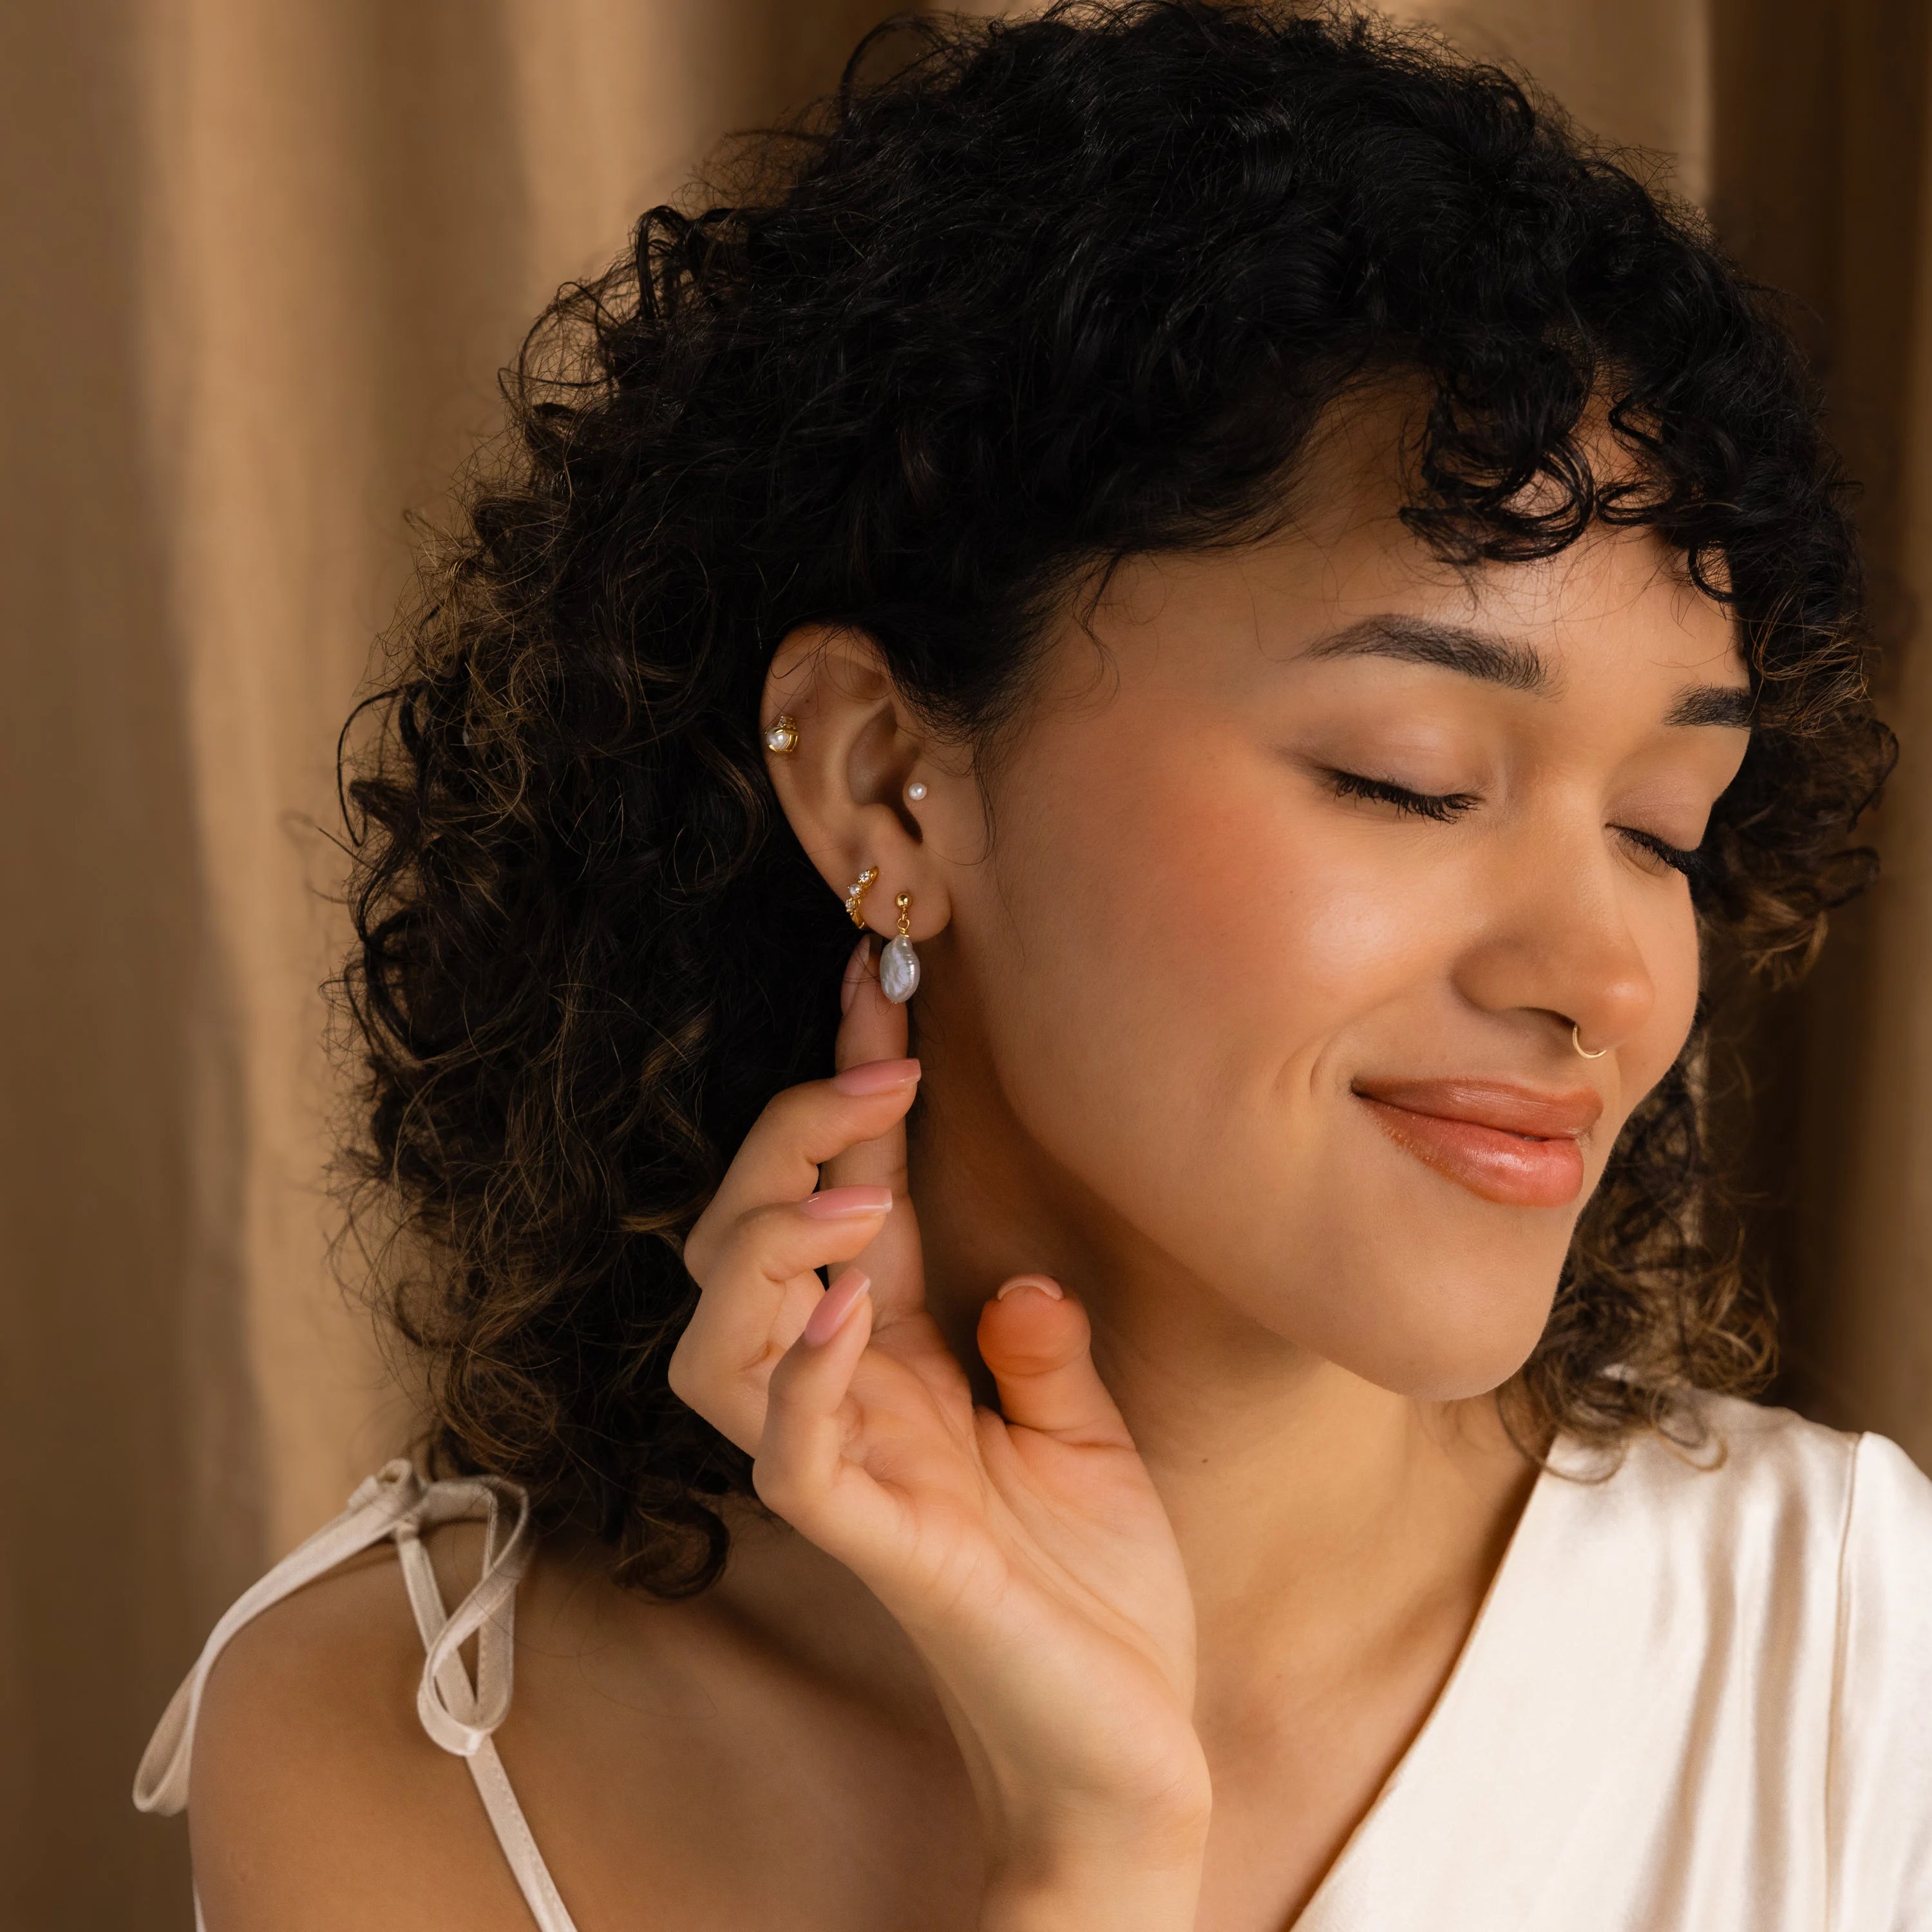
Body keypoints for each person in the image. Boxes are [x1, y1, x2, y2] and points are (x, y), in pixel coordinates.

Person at [134, 3, 1927, 1927]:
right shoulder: (416, 1739)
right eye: (1409, 783)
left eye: (1666, 829)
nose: (1614, 982)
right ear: (890, 785)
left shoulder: (1857, 1674)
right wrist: (1096, 1848)